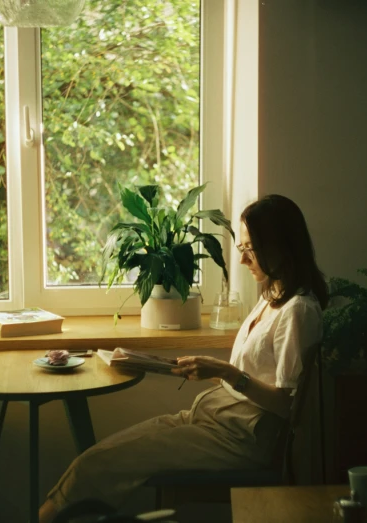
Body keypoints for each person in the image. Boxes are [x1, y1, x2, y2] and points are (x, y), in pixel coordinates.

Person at [38, 194, 328, 523]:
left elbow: (290, 406)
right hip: (211, 416)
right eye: (242, 248)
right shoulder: (271, 296)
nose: (244, 259)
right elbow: (254, 371)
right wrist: (197, 369)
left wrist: (227, 372)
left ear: (282, 246)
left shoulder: (299, 310)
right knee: (97, 457)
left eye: (252, 248)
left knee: (103, 464)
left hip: (241, 437)